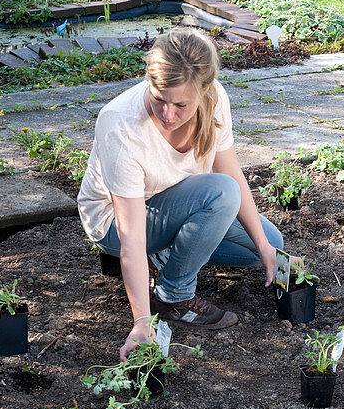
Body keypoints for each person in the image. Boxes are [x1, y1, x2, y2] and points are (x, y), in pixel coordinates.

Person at [77, 28, 283, 361]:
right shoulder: (120, 124)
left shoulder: (215, 100)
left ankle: (164, 255)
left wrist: (264, 247)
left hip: (176, 204)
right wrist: (142, 323)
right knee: (220, 194)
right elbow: (131, 237)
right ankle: (172, 295)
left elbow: (232, 171)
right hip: (115, 224)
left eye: (181, 105)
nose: (168, 114)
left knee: (268, 242)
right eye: (159, 99)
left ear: (203, 91)